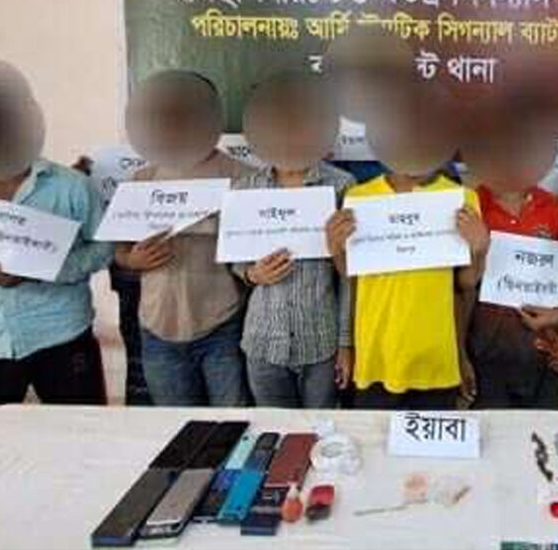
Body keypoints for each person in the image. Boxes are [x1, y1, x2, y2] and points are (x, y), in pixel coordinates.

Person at [325, 32, 488, 409]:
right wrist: (336, 250)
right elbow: (353, 277)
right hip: (377, 355)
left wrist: (479, 249)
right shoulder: (360, 198)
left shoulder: (461, 198)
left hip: (436, 358)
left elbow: (464, 284)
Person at [0, 59, 112, 406]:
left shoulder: (70, 186)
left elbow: (104, 247)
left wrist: (45, 269)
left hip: (61, 335)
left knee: (84, 431)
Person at [114, 71, 253, 407]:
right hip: (157, 327)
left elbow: (257, 246)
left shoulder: (242, 177)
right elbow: (119, 249)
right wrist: (130, 260)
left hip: (222, 325)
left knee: (234, 422)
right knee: (177, 427)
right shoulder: (141, 180)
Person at [234, 72, 355, 409]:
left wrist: (346, 344)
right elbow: (236, 261)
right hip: (263, 342)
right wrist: (252, 274)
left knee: (321, 429)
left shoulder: (342, 186)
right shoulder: (246, 189)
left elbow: (350, 277)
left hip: (321, 342)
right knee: (274, 431)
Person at [460, 86, 558, 409]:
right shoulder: (471, 206)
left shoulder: (553, 207)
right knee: (495, 432)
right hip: (486, 350)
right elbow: (460, 287)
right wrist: (460, 353)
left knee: (543, 432)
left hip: (545, 349)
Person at [72, 154, 152, 406]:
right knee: (141, 369)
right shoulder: (110, 162)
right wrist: (80, 184)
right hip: (133, 276)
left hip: (213, 282)